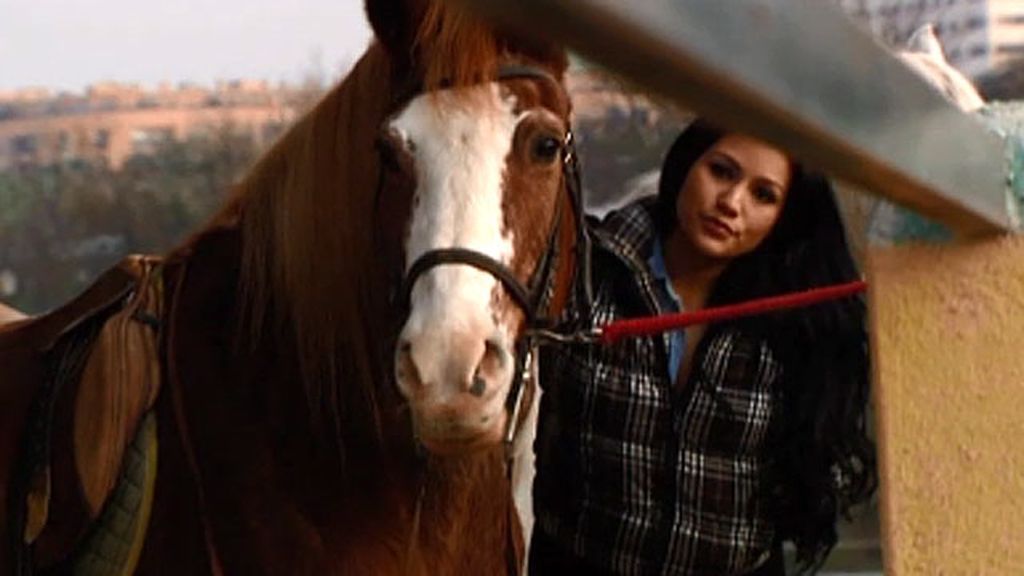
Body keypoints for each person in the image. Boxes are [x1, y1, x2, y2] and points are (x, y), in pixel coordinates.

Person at [529, 119, 876, 575]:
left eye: (763, 195)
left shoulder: (794, 321)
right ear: (686, 163)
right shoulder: (587, 275)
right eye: (721, 171)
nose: (731, 203)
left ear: (783, 218)